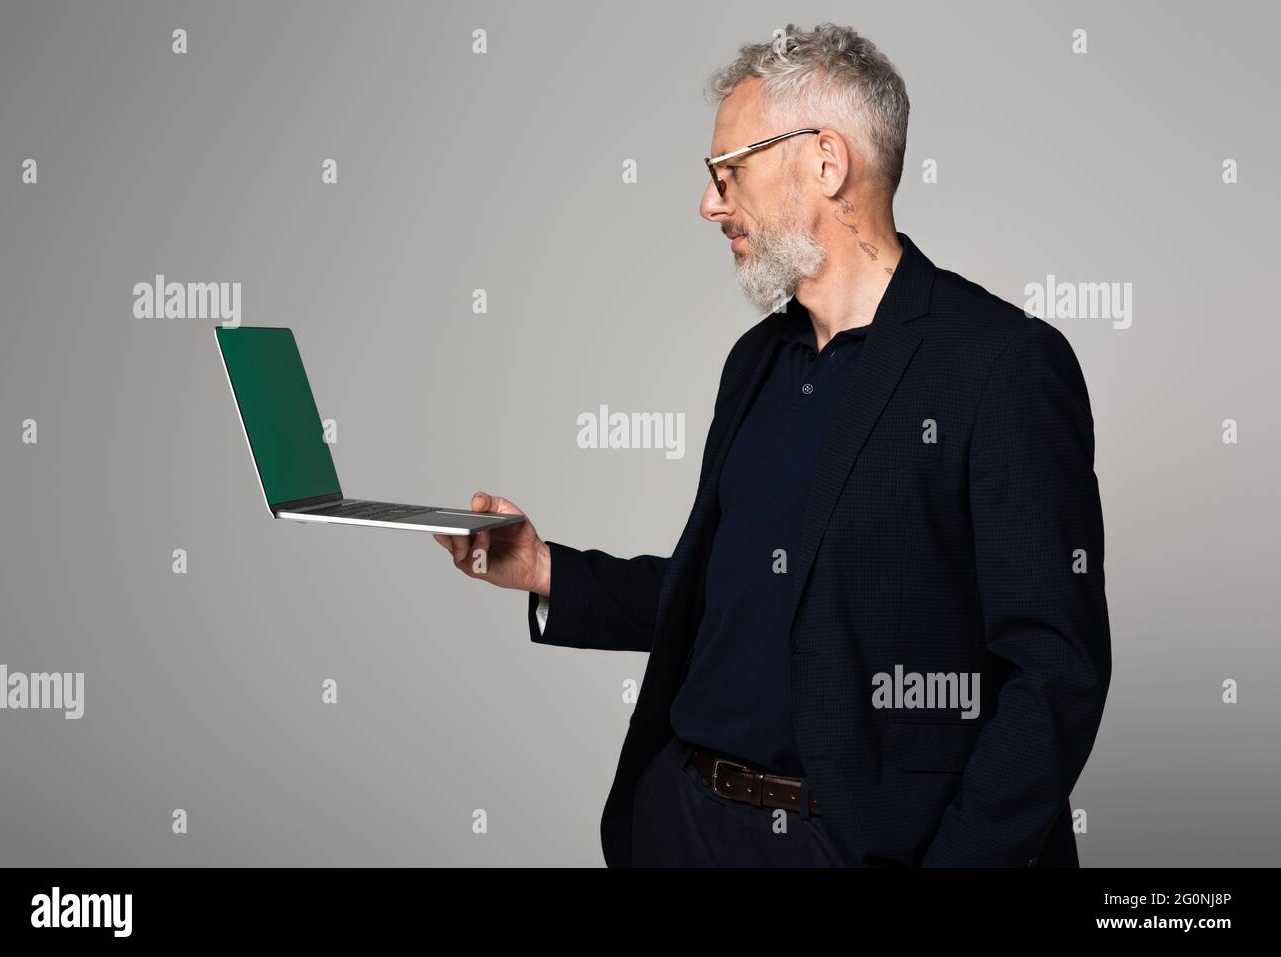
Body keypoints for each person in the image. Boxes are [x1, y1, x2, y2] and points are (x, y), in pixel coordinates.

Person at [433, 22, 1111, 868]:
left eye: (730, 171)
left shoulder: (1000, 365)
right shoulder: (756, 360)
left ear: (827, 162)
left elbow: (1055, 674)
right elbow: (729, 593)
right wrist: (542, 569)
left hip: (857, 848)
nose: (711, 203)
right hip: (686, 824)